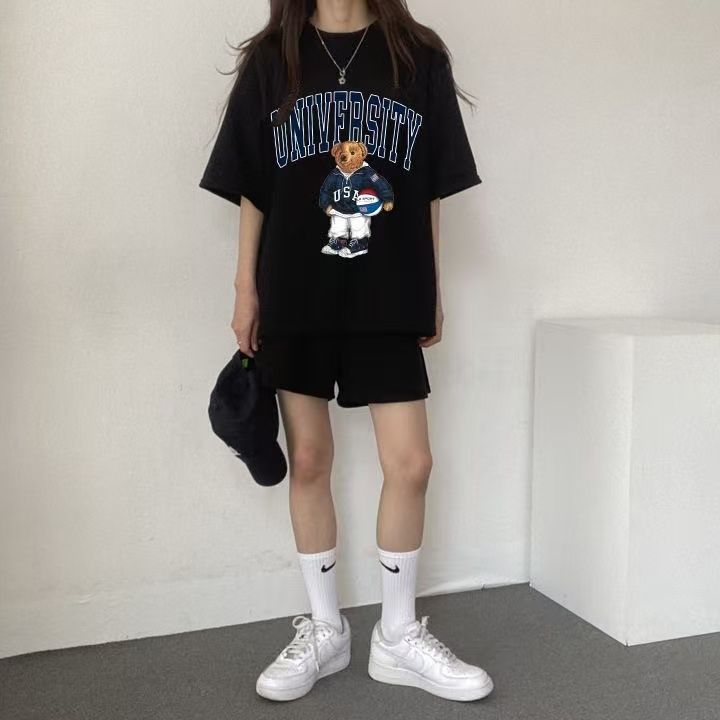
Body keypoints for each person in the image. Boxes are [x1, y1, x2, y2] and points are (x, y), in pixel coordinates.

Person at [199, 0, 492, 704]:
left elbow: (429, 185)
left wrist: (431, 286)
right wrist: (244, 288)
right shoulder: (273, 58)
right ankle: (326, 631)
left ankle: (398, 635)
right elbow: (254, 188)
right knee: (308, 459)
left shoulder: (416, 55)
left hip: (388, 289)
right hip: (295, 287)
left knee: (411, 463)